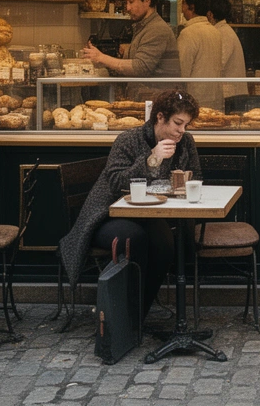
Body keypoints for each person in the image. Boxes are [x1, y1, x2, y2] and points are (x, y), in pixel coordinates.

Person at [58, 90, 203, 319]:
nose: (182, 130)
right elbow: (116, 183)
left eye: (186, 124)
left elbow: (195, 178)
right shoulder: (129, 139)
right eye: (177, 123)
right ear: (160, 117)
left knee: (165, 244)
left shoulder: (185, 143)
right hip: (109, 216)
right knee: (135, 240)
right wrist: (152, 159)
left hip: (151, 215)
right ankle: (122, 317)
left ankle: (135, 316)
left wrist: (183, 182)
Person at [81, 0, 180, 79]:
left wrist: (102, 58)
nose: (128, 8)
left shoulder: (157, 29)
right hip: (147, 93)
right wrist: (101, 61)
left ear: (147, 2)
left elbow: (140, 68)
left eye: (131, 2)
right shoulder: (144, 27)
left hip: (159, 93)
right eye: (126, 2)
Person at [177, 0, 224, 111]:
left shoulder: (188, 33)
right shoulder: (215, 31)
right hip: (215, 97)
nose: (182, 10)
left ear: (191, 7)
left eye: (183, 4)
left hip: (195, 98)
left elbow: (183, 70)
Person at [208, 0, 249, 107]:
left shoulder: (223, 33)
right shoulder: (222, 31)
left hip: (233, 95)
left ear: (210, 14)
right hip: (231, 93)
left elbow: (219, 63)